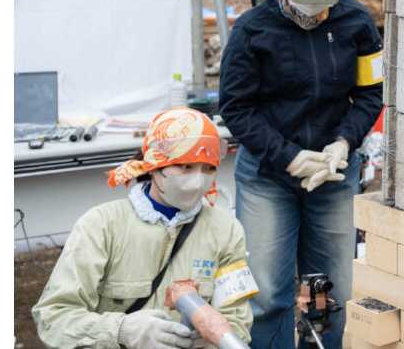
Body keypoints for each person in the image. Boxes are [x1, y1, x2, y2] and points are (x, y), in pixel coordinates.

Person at [220, 0, 384, 349]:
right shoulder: (253, 30)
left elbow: (370, 93)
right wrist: (289, 156)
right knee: (268, 293)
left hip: (333, 175)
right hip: (268, 179)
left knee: (328, 289)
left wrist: (344, 143)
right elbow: (237, 108)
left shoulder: (357, 24)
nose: (316, 8)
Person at [32, 108, 255, 349]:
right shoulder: (101, 226)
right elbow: (53, 317)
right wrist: (122, 331)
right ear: (154, 166)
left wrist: (211, 338)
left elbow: (237, 320)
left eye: (208, 168)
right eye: (185, 166)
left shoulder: (226, 230)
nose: (198, 180)